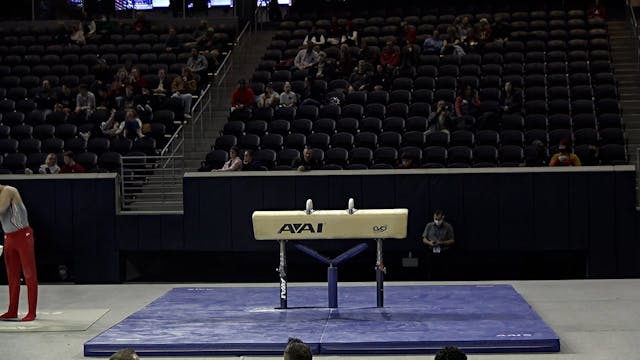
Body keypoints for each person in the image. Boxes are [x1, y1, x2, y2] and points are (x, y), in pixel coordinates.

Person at [0, 185, 38, 321]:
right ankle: (12, 310)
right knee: (12, 276)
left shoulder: (9, 190)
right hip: (8, 237)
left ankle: (32, 312)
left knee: (29, 274)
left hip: (23, 236)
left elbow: (1, 209)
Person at [421, 210, 455, 280]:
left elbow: (452, 240)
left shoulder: (448, 226)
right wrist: (429, 243)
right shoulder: (429, 225)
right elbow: (424, 239)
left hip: (444, 252)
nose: (437, 221)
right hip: (431, 251)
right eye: (435, 219)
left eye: (439, 219)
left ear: (443, 217)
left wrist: (441, 243)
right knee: (430, 271)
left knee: (444, 271)